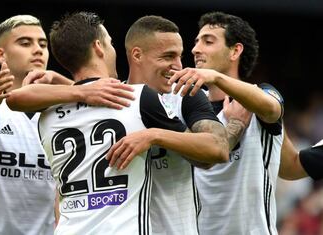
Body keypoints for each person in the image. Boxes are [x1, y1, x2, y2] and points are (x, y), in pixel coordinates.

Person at [15, 11, 229, 234]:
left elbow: (15, 98)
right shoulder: (138, 99)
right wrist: (154, 134)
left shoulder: (47, 113)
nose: (178, 65)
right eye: (110, 43)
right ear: (99, 47)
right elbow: (217, 149)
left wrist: (69, 86)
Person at [0, 14, 135, 235]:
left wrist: (64, 83)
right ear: (1, 54)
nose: (37, 50)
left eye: (43, 44)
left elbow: (96, 96)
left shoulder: (58, 108)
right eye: (25, 43)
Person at [105, 15, 246, 235]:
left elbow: (217, 149)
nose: (178, 66)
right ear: (137, 55)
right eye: (168, 56)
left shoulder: (185, 95)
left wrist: (153, 135)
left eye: (179, 56)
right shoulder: (112, 99)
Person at [167, 11, 285, 234]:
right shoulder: (185, 105)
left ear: (235, 51)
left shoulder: (258, 98)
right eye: (196, 42)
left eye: (208, 41)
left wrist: (216, 77)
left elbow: (272, 108)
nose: (195, 49)